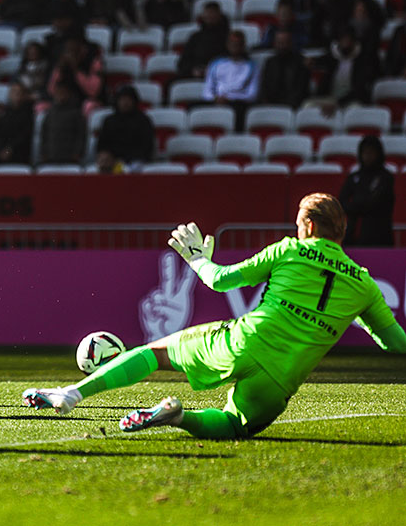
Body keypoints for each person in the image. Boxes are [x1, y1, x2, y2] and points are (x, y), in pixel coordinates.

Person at [23, 193, 406, 438]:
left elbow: (221, 282)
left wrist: (198, 259)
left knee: (155, 352)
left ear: (307, 226)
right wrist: (356, 317)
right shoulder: (364, 285)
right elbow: (395, 344)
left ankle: (72, 393)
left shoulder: (290, 250)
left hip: (244, 341)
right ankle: (179, 419)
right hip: (283, 377)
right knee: (237, 426)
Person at [340, 135, 394, 247]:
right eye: (365, 152)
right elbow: (342, 201)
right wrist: (357, 205)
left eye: (371, 152)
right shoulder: (353, 177)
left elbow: (376, 203)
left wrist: (356, 204)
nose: (368, 156)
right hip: (353, 235)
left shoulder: (386, 177)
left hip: (380, 236)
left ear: (378, 154)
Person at [202, 30, 259, 131]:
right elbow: (207, 90)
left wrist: (229, 98)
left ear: (243, 45)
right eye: (232, 44)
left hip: (238, 102)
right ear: (227, 45)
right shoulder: (215, 63)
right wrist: (215, 98)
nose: (235, 47)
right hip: (217, 99)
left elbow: (252, 95)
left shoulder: (251, 66)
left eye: (238, 44)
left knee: (240, 111)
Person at [96, 85, 155, 171]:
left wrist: (126, 159)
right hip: (112, 161)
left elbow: (147, 146)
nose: (125, 103)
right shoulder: (109, 121)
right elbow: (102, 144)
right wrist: (106, 155)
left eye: (128, 99)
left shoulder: (143, 120)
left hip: (136, 161)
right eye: (122, 99)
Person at [258, 30, 311, 109]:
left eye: (285, 42)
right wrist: (267, 103)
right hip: (271, 103)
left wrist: (289, 104)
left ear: (291, 43)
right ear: (275, 43)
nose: (282, 46)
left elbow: (301, 89)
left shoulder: (301, 62)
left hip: (293, 104)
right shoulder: (270, 62)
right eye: (279, 42)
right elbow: (264, 86)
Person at [176, 2, 229, 79]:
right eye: (207, 13)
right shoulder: (195, 37)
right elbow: (183, 62)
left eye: (212, 13)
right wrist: (193, 70)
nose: (209, 16)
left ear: (219, 15)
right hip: (195, 75)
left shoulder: (227, 37)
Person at [39, 80, 86, 164]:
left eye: (63, 92)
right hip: (51, 156)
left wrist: (77, 153)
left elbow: (81, 135)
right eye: (58, 92)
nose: (60, 95)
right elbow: (44, 135)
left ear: (68, 93)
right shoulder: (50, 113)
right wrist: (44, 153)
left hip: (70, 158)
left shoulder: (76, 113)